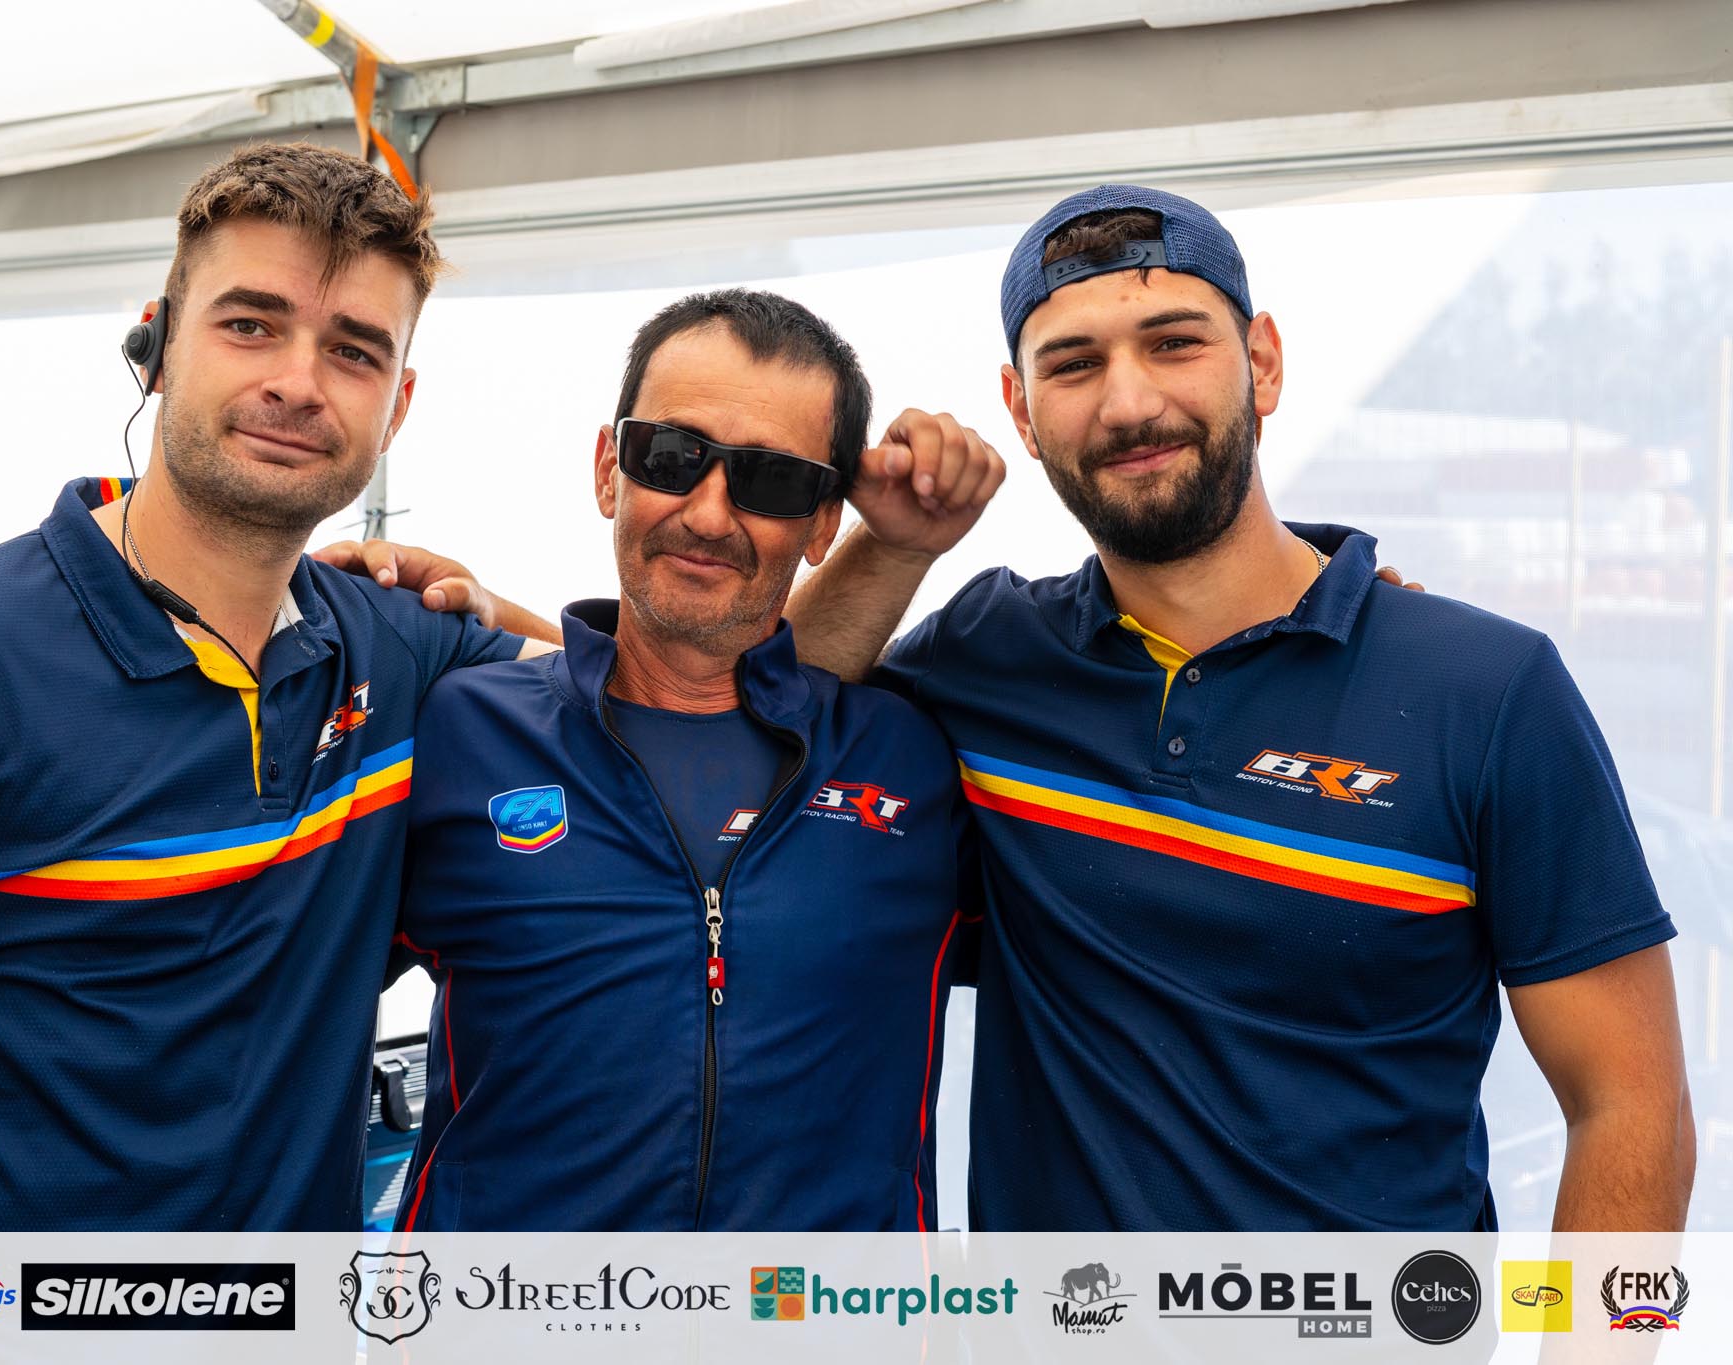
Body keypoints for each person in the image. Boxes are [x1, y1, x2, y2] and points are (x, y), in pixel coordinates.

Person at [0, 141, 556, 1231]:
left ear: (399, 405)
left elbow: (680, 694)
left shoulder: (404, 649)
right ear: (157, 345)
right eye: (250, 325)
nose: (297, 382)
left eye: (352, 350)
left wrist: (495, 604)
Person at [787, 184, 1694, 1230]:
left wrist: (1583, 1329)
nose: (1128, 404)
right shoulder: (983, 655)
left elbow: (1628, 1104)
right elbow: (755, 730)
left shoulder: (1488, 687)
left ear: (1261, 363)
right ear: (1020, 411)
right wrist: (893, 546)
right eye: (1073, 365)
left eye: (1173, 343)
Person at [383, 290, 1001, 1230]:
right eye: (671, 457)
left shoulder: (917, 758)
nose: (709, 514)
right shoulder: (457, 729)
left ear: (824, 525)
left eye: (771, 481)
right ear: (609, 469)